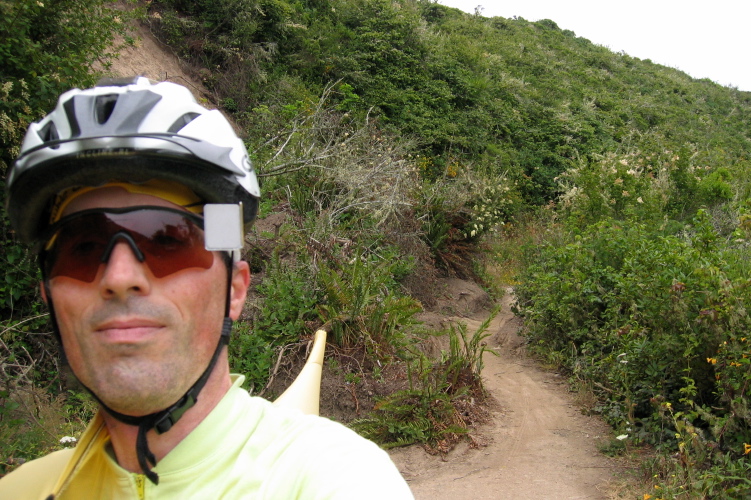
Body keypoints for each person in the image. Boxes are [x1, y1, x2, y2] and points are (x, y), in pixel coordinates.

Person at [0, 77, 413, 499]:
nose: (120, 278)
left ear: (234, 290)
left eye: (166, 241)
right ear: (48, 294)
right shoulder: (19, 491)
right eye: (82, 248)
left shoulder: (335, 478)